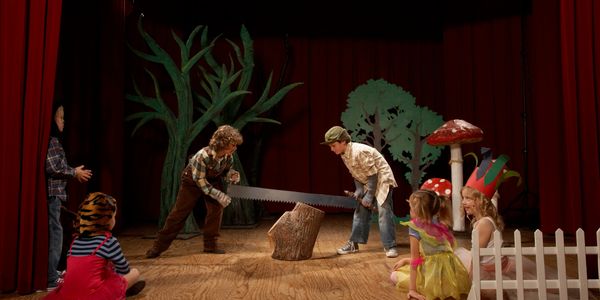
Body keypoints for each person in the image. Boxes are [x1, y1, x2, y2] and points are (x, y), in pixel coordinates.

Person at [145, 125, 243, 258]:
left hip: (211, 181)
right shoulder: (201, 156)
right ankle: (158, 247)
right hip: (192, 183)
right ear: (223, 144)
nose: (235, 148)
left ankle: (210, 245)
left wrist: (232, 175)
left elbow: (225, 172)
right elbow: (200, 182)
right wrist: (218, 194)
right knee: (179, 213)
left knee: (216, 209)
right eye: (233, 145)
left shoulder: (228, 157)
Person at [44, 192, 146, 299]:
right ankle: (123, 290)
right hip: (94, 295)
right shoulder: (108, 241)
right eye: (114, 217)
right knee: (135, 273)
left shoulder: (76, 241)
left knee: (106, 271)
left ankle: (122, 290)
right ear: (107, 220)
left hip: (70, 294)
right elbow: (124, 269)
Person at [321, 126, 399, 258]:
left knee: (384, 211)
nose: (331, 149)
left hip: (382, 180)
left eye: (333, 145)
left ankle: (390, 246)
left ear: (343, 141)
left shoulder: (358, 151)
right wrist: (359, 189)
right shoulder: (344, 154)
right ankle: (353, 244)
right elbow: (356, 173)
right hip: (369, 182)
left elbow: (373, 174)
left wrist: (368, 195)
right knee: (360, 211)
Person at [390, 189, 470, 300]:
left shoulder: (415, 227)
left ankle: (427, 289)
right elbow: (437, 255)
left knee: (394, 276)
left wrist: (412, 290)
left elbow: (415, 260)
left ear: (418, 210)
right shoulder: (442, 224)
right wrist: (405, 260)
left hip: (432, 275)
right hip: (450, 276)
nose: (410, 210)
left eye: (411, 207)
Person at [45, 104, 93, 290]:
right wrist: (74, 172)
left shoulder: (54, 141)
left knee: (57, 232)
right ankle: (51, 278)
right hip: (53, 195)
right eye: (60, 117)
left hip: (56, 194)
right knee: (56, 234)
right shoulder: (53, 141)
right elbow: (52, 167)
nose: (63, 121)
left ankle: (53, 272)